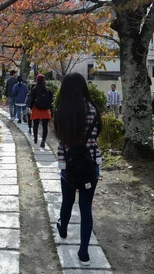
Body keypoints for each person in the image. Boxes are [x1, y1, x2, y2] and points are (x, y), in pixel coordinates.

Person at [53, 72, 103, 266]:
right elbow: (97, 134)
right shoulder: (93, 109)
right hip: (90, 165)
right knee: (85, 208)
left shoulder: (61, 110)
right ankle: (84, 253)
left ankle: (63, 227)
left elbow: (60, 140)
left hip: (68, 165)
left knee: (67, 200)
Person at [29, 74, 52, 147]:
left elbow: (32, 100)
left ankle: (35, 138)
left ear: (37, 80)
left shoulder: (34, 89)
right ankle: (43, 141)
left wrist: (30, 108)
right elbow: (51, 100)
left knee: (35, 125)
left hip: (37, 109)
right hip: (45, 110)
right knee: (45, 126)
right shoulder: (48, 90)